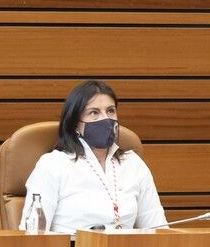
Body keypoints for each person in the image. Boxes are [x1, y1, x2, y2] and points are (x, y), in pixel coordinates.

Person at [19, 80, 166, 234]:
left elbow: (158, 229)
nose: (105, 119)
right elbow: (33, 235)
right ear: (75, 123)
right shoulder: (53, 165)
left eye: (110, 111)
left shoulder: (133, 163)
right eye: (94, 112)